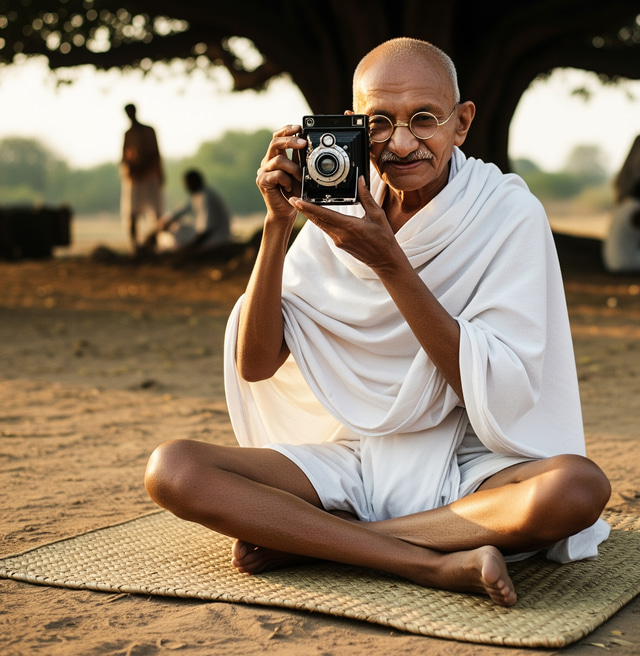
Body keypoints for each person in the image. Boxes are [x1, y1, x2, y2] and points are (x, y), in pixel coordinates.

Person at [145, 38, 611, 607]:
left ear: (462, 123)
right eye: (380, 122)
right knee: (173, 468)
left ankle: (325, 541)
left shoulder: (507, 212)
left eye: (424, 119)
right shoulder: (338, 208)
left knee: (576, 488)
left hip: (468, 464)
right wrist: (277, 225)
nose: (402, 143)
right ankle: (427, 560)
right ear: (353, 126)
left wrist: (389, 261)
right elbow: (257, 363)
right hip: (353, 457)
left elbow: (495, 387)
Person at [153, 169, 232, 255]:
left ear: (194, 181)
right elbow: (180, 212)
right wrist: (162, 224)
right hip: (213, 237)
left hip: (217, 239)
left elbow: (206, 230)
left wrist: (190, 248)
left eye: (187, 183)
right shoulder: (198, 196)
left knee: (179, 229)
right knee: (175, 225)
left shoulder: (206, 197)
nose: (186, 187)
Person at [120, 103, 164, 253]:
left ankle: (154, 243)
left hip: (149, 174)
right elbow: (125, 157)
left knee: (155, 211)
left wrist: (157, 173)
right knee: (132, 212)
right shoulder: (128, 134)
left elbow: (155, 154)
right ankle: (135, 245)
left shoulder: (149, 131)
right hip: (134, 177)